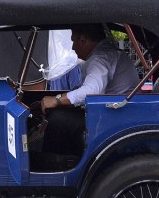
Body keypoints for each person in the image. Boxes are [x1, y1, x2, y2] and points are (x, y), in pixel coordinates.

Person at [38, 25, 140, 155]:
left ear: (83, 39)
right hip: (119, 113)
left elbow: (91, 91)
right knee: (61, 113)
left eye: (73, 41)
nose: (73, 47)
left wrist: (57, 100)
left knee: (57, 119)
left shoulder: (100, 57)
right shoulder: (105, 53)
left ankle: (53, 161)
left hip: (116, 118)